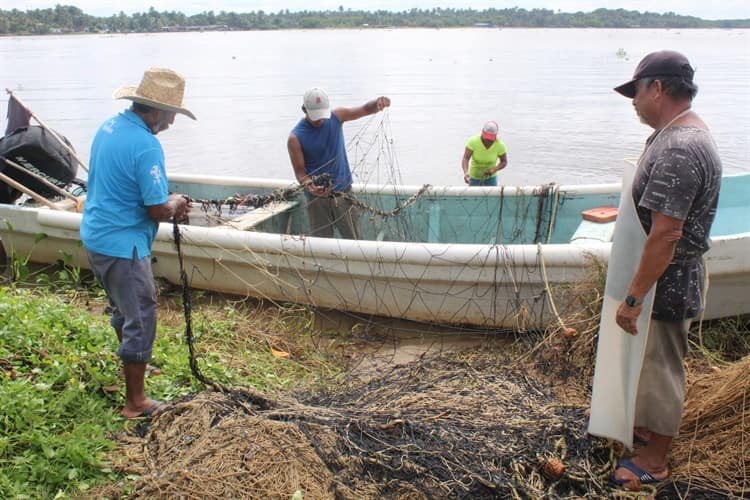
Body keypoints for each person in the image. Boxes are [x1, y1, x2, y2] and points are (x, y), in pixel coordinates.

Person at [609, 50, 722, 486]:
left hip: (666, 281)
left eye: (636, 92)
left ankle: (655, 461)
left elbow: (666, 235)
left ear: (657, 88)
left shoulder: (680, 147)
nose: (633, 102)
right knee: (651, 363)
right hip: (661, 276)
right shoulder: (674, 134)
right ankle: (643, 429)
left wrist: (634, 297)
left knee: (661, 367)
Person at [80, 67, 194, 419]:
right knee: (142, 316)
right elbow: (157, 209)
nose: (172, 123)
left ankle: (135, 367)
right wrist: (176, 203)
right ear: (157, 111)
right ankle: (136, 402)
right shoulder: (146, 145)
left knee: (124, 310)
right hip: (123, 246)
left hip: (97, 236)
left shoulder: (110, 126)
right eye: (171, 115)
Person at [287, 88, 391, 239]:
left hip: (344, 194)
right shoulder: (295, 138)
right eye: (315, 116)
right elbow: (300, 173)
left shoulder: (337, 117)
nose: (320, 120)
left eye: (322, 115)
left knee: (355, 242)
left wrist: (377, 103)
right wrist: (310, 185)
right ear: (304, 110)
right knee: (321, 244)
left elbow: (364, 109)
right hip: (317, 201)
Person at [461, 120, 507, 186]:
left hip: (491, 178)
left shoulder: (500, 145)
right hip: (474, 178)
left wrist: (494, 169)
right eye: (486, 137)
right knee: (474, 195)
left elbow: (504, 161)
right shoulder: (473, 142)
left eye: (491, 139)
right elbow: (465, 158)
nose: (488, 141)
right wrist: (466, 173)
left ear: (496, 135)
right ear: (482, 131)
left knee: (492, 196)